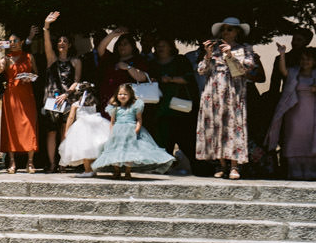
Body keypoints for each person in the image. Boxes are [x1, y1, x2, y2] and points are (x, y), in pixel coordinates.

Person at [195, 16, 261, 180]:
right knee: (217, 127)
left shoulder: (244, 50)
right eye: (223, 29)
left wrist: (230, 55)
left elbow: (243, 70)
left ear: (237, 32)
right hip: (214, 94)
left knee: (233, 127)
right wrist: (208, 54)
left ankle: (234, 165)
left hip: (233, 94)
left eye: (229, 29)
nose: (225, 32)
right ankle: (221, 165)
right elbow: (202, 70)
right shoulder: (215, 50)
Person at [264, 48, 316, 180]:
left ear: (315, 61)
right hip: (295, 112)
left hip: (314, 112)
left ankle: (314, 173)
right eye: (302, 59)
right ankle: (296, 173)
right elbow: (283, 71)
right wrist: (282, 54)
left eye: (308, 59)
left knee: (311, 138)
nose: (305, 61)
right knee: (294, 139)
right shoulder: (294, 72)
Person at [92, 82, 174, 179]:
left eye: (125, 94)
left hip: (130, 130)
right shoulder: (114, 107)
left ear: (130, 95)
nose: (122, 96)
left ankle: (127, 172)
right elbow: (112, 121)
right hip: (118, 131)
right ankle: (117, 171)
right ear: (116, 95)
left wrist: (136, 130)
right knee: (115, 151)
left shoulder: (135, 106)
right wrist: (112, 132)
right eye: (120, 94)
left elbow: (139, 119)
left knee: (130, 152)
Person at [146, 37, 198, 172]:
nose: (160, 48)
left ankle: (192, 166)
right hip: (160, 107)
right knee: (162, 136)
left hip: (178, 105)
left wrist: (171, 79)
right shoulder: (152, 64)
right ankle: (164, 166)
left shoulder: (180, 60)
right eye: (158, 46)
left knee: (184, 137)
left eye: (163, 45)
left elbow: (189, 78)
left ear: (171, 47)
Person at [39, 11, 82, 172]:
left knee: (65, 130)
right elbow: (46, 44)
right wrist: (46, 26)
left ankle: (63, 162)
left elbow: (76, 80)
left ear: (70, 44)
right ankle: (51, 163)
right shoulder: (52, 60)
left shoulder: (76, 61)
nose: (62, 43)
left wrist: (67, 94)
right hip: (51, 100)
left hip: (67, 100)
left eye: (65, 41)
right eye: (59, 41)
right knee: (51, 132)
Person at [0, 32, 40, 173]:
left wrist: (31, 78)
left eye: (15, 40)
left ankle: (30, 162)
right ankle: (12, 162)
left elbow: (37, 74)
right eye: (10, 41)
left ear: (21, 42)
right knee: (11, 128)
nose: (12, 43)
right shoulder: (6, 59)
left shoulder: (29, 57)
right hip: (11, 95)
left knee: (29, 126)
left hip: (27, 94)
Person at [93, 28, 150, 113]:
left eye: (125, 44)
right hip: (107, 102)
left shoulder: (138, 60)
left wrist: (128, 67)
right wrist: (113, 34)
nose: (122, 46)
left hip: (126, 104)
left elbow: (142, 78)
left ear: (132, 46)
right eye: (120, 44)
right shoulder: (112, 58)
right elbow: (100, 48)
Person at [58, 83, 110, 177]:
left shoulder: (76, 105)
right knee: (93, 149)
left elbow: (70, 118)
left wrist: (67, 130)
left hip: (82, 128)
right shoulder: (94, 103)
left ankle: (87, 170)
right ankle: (92, 169)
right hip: (95, 127)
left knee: (85, 149)